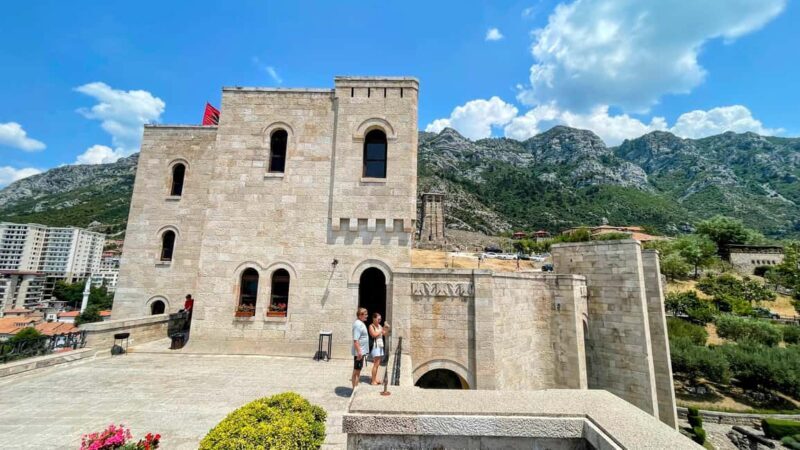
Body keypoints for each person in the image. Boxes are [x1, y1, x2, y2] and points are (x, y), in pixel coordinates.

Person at [351, 307, 369, 390]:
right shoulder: (358, 324)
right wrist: (359, 352)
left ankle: (355, 388)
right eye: (365, 314)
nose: (367, 316)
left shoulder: (360, 323)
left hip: (361, 352)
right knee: (356, 371)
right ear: (360, 315)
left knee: (357, 371)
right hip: (359, 353)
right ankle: (354, 390)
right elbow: (356, 340)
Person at [368, 312, 386, 385]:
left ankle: (374, 379)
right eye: (378, 319)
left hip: (380, 345)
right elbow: (374, 335)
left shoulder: (380, 326)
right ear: (374, 318)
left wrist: (386, 328)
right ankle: (373, 381)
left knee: (378, 364)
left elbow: (384, 334)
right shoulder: (371, 326)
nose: (380, 320)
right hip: (375, 346)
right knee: (376, 364)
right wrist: (381, 330)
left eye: (380, 319)